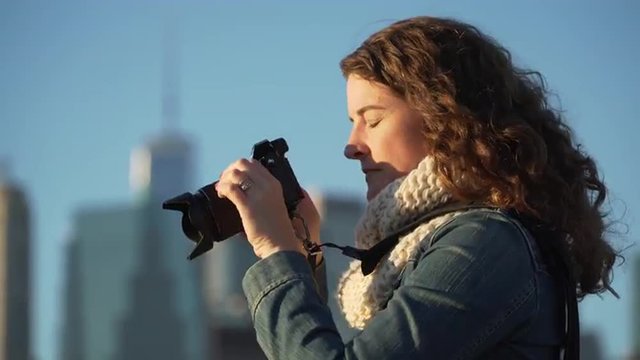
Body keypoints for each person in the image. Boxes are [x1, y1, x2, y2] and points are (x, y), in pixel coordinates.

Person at [214, 16, 619, 359]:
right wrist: (303, 253)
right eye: (351, 122)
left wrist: (276, 252)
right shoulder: (460, 240)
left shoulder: (487, 242)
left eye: (371, 120)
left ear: (444, 118)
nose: (351, 146)